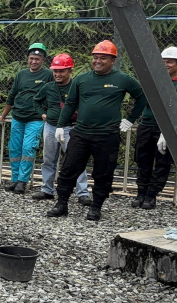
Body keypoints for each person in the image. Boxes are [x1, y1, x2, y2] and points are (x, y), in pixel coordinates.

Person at [48, 40, 147, 221]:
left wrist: (130, 119)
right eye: (95, 58)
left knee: (103, 172)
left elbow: (142, 97)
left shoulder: (123, 79)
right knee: (69, 169)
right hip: (81, 133)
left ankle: (96, 207)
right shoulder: (81, 79)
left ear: (112, 60)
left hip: (107, 135)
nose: (98, 61)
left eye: (103, 58)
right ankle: (61, 204)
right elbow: (70, 104)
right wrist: (60, 125)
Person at [0, 43, 53, 194]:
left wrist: (49, 113)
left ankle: (22, 181)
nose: (34, 61)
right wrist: (3, 115)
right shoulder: (21, 75)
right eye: (31, 58)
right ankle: (14, 178)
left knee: (28, 148)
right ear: (27, 59)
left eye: (37, 59)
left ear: (43, 59)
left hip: (36, 118)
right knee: (15, 148)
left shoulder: (48, 75)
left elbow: (53, 95)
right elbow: (12, 95)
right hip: (18, 116)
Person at [32, 53, 92, 205]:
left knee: (76, 160)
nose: (58, 74)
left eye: (61, 71)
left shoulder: (76, 86)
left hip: (71, 128)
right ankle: (47, 189)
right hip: (51, 126)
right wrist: (42, 114)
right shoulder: (48, 87)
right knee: (48, 159)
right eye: (55, 71)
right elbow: (36, 101)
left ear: (70, 71)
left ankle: (82, 193)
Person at [131, 46, 177, 210]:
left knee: (162, 162)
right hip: (147, 124)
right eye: (163, 61)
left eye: (170, 61)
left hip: (167, 128)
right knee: (143, 159)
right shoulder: (152, 81)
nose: (166, 64)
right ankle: (141, 193)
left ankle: (151, 195)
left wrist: (168, 131)